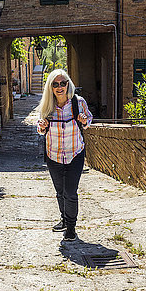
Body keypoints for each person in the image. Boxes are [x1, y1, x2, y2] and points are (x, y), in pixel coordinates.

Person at [37, 69, 93, 241]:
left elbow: (88, 121)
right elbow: (40, 130)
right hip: (53, 155)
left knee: (70, 192)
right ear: (51, 87)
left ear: (68, 84)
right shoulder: (47, 105)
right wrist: (42, 125)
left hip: (75, 153)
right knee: (60, 191)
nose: (60, 87)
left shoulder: (78, 102)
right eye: (55, 84)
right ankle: (63, 219)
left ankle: (71, 227)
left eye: (63, 83)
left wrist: (84, 121)